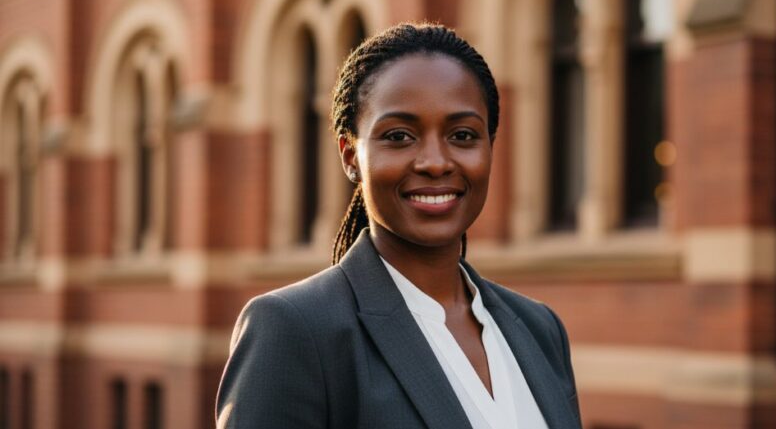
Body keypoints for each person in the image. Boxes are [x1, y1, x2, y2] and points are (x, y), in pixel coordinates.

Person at [215, 23, 582, 429]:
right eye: (399, 136)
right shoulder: (295, 330)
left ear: (490, 148)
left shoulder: (539, 329)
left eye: (463, 135)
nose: (435, 162)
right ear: (350, 155)